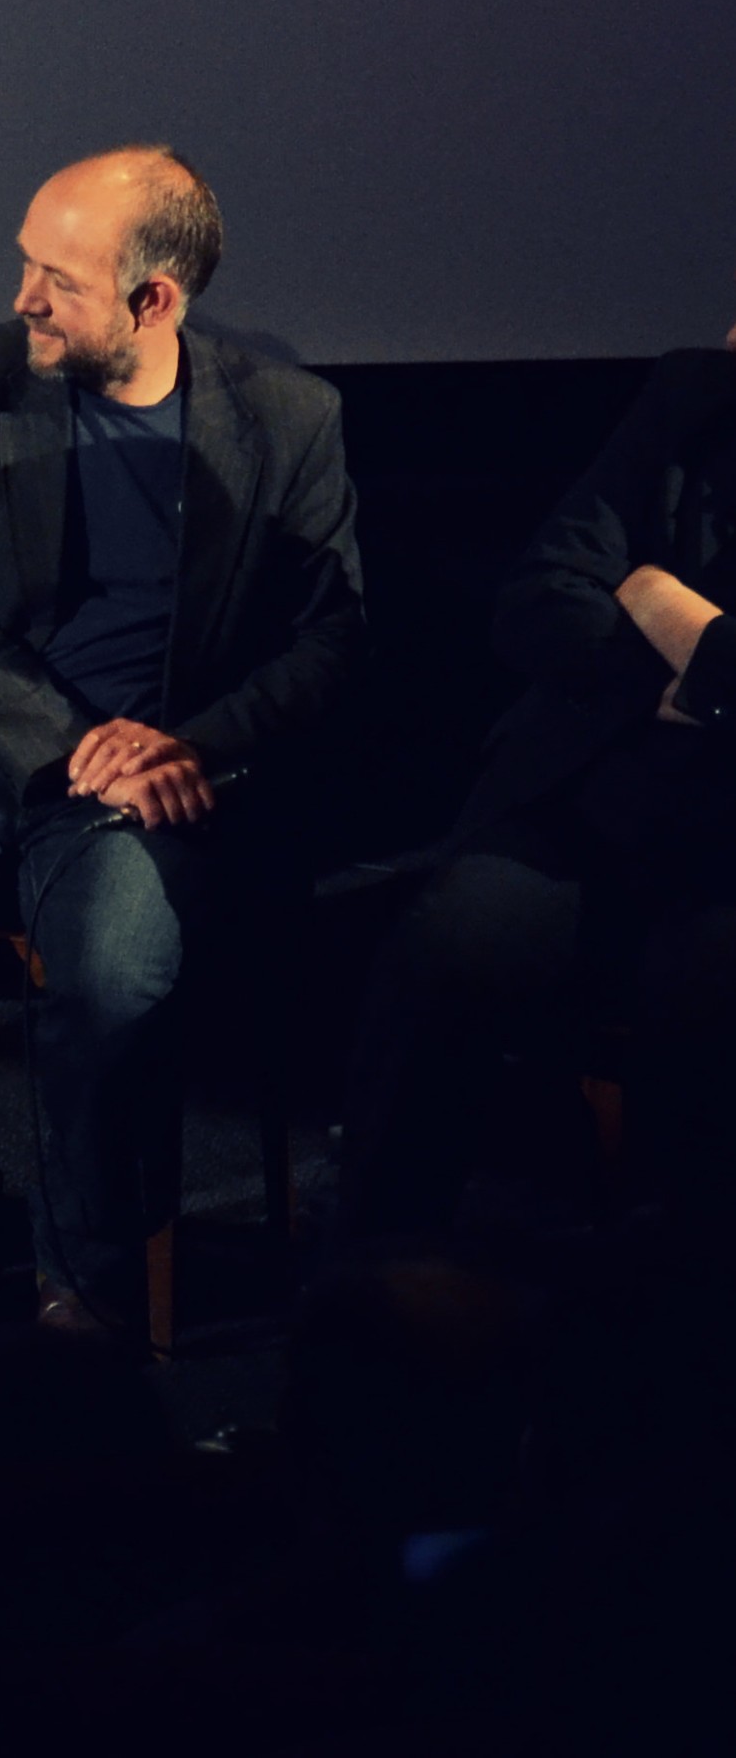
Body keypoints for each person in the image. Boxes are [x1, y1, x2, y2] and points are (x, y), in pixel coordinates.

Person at [0, 148, 361, 1344]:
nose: (23, 299)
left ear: (153, 299)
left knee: (109, 977)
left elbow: (326, 638)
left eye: (58, 277)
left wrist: (186, 746)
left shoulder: (288, 418)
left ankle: (83, 1258)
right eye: (23, 263)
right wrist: (71, 740)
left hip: (161, 770)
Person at [343, 339, 735, 1234]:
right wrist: (677, 677)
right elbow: (536, 599)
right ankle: (371, 1287)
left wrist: (649, 589)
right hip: (598, 785)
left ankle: (680, 1307)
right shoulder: (694, 393)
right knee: (454, 931)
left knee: (707, 986)